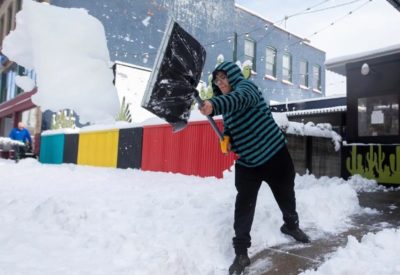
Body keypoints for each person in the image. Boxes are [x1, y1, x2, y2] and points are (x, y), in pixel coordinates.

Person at [199, 61, 310, 275]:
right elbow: (230, 126)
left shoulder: (247, 88)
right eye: (217, 80)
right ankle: (241, 252)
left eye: (223, 78)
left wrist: (213, 105)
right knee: (244, 206)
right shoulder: (226, 107)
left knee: (286, 195)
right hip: (248, 162)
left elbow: (238, 100)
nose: (220, 83)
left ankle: (291, 225)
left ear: (232, 76)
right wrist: (228, 140)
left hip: (274, 154)